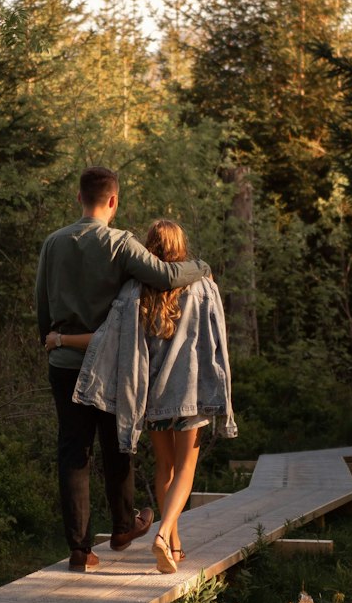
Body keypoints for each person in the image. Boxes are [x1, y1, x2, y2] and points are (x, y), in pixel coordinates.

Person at [35, 168, 211, 572]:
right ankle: (121, 526)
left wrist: (52, 339)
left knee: (72, 453)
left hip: (64, 363)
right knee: (118, 445)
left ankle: (80, 551)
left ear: (79, 198)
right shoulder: (120, 244)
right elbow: (166, 276)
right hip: (111, 365)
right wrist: (200, 268)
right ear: (113, 201)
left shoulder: (53, 244)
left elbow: (42, 305)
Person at [70, 218, 236, 575]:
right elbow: (215, 337)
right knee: (186, 467)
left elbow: (109, 340)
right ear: (182, 247)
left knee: (165, 467)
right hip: (189, 391)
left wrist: (63, 341)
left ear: (149, 248)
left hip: (154, 394)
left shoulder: (133, 290)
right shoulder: (203, 286)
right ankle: (163, 535)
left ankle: (174, 545)